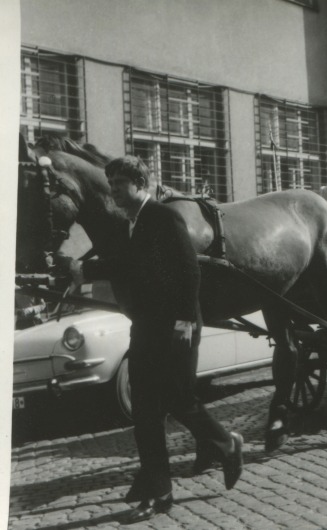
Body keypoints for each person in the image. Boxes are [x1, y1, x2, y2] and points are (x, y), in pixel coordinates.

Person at [67, 156, 243, 524]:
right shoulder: (131, 224)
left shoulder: (163, 217)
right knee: (145, 413)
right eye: (110, 181)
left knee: (181, 400)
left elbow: (189, 272)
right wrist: (83, 268)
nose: (112, 188)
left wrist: (183, 324)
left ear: (140, 182)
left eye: (118, 182)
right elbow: (126, 266)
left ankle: (227, 444)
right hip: (145, 328)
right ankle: (159, 492)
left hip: (176, 328)